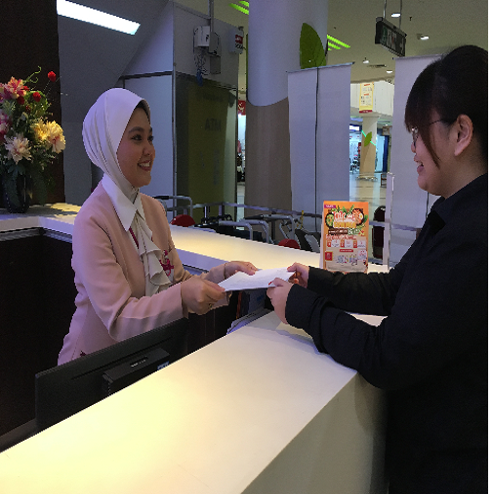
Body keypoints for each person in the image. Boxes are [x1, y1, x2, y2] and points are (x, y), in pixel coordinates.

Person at [267, 45, 487, 493]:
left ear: (461, 133)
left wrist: (303, 310)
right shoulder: (453, 213)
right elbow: (393, 289)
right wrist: (317, 281)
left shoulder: (472, 236)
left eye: (418, 132)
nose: (412, 148)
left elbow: (387, 356)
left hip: (447, 470)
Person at [58, 88, 256, 364]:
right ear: (107, 145)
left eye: (150, 138)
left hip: (143, 360)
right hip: (94, 368)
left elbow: (177, 282)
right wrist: (183, 297)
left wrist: (224, 276)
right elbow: (119, 318)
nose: (149, 150)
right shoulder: (92, 221)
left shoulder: (153, 210)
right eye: (137, 138)